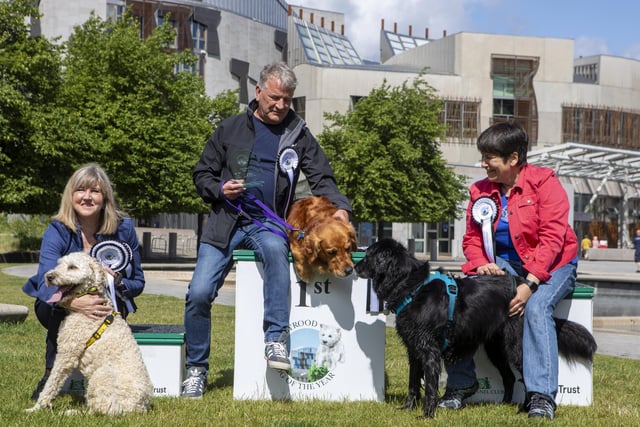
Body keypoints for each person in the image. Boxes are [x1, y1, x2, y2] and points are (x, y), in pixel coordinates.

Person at [181, 62, 351, 398]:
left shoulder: (298, 134)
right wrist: (220, 189)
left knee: (276, 251)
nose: (281, 106)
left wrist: (340, 206)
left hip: (269, 223)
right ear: (258, 92)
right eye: (274, 97)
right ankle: (196, 369)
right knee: (199, 293)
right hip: (223, 224)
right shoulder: (229, 129)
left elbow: (322, 178)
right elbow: (202, 174)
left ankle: (276, 339)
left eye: (287, 100)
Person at [438, 122, 578, 420]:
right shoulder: (479, 190)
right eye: (483, 156)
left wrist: (529, 283)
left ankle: (540, 396)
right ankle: (460, 385)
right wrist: (480, 263)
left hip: (553, 263)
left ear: (513, 159)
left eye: (490, 157)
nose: (483, 163)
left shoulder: (545, 183)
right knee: (460, 302)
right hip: (501, 264)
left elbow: (553, 239)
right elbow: (471, 239)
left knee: (538, 307)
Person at [22, 163, 145, 400]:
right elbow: (45, 277)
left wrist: (117, 281)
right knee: (56, 310)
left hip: (107, 308)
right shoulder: (57, 229)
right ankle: (50, 373)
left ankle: (109, 382)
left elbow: (138, 282)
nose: (87, 197)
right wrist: (72, 303)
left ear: (105, 197)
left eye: (95, 191)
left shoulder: (124, 227)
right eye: (81, 190)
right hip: (60, 306)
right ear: (71, 195)